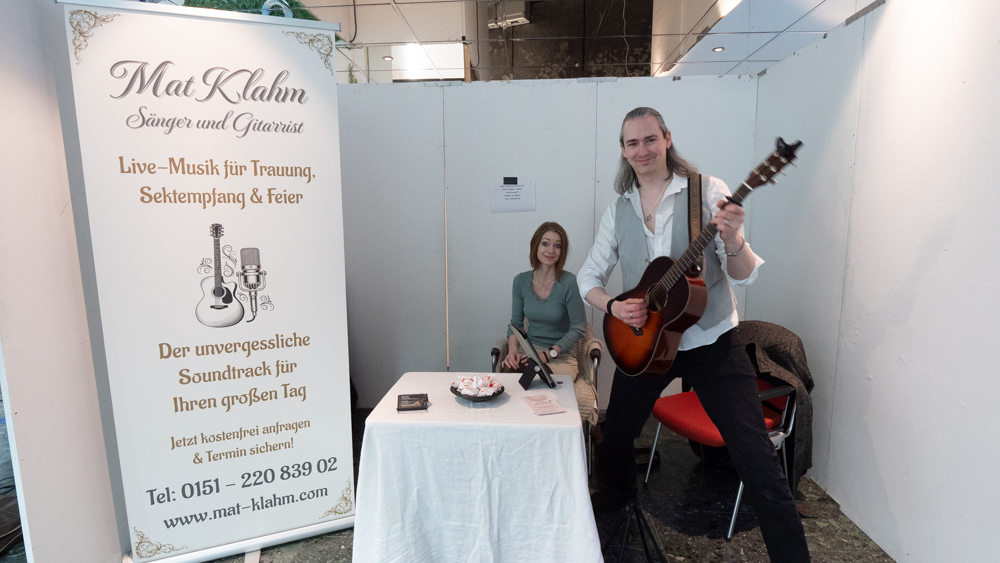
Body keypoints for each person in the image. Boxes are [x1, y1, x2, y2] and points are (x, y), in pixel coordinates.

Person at [577, 107, 810, 561]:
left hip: (712, 344)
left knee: (756, 458)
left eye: (650, 139)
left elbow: (743, 275)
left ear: (667, 138)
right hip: (647, 346)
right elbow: (589, 276)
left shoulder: (707, 192)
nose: (642, 150)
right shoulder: (619, 209)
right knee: (617, 433)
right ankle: (621, 497)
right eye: (632, 143)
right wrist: (614, 306)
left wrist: (734, 238)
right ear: (623, 150)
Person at [502, 223, 592, 411]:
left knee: (537, 384)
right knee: (507, 376)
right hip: (529, 353)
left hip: (559, 357)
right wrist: (513, 351)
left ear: (562, 252)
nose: (551, 250)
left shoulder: (569, 282)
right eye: (545, 243)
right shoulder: (520, 281)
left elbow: (579, 328)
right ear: (535, 245)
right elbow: (515, 324)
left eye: (557, 245)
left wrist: (549, 354)